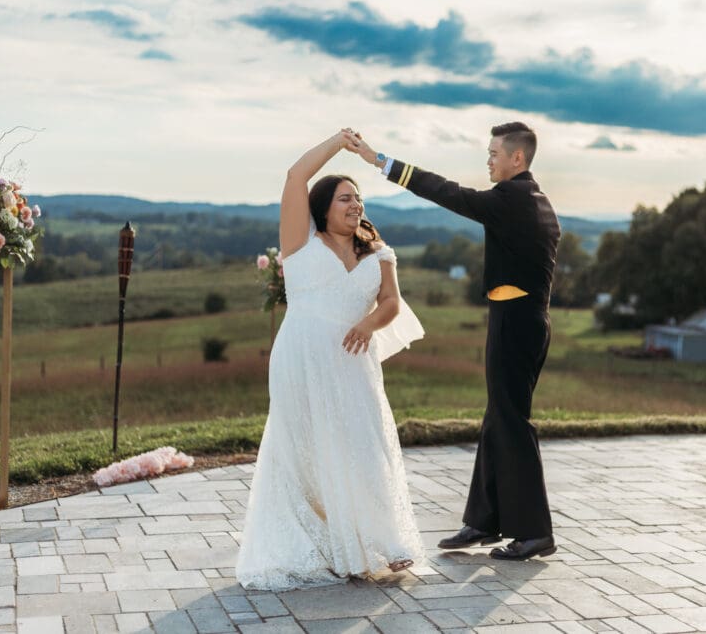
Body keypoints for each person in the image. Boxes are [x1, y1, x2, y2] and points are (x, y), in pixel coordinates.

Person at [349, 122, 561, 561]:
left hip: (516, 321)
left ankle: (536, 532)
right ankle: (483, 522)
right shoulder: (538, 202)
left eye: (494, 153)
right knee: (498, 418)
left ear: (516, 159)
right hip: (522, 318)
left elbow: (445, 192)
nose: (488, 160)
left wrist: (378, 161)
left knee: (512, 422)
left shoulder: (512, 199)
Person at [236, 129, 425, 590]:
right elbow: (296, 174)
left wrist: (368, 325)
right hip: (300, 359)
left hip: (353, 361)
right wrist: (339, 144)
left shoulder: (378, 253)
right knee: (306, 451)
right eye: (345, 198)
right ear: (323, 207)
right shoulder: (299, 241)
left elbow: (392, 303)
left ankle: (382, 541)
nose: (355, 204)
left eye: (358, 198)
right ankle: (327, 544)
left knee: (365, 445)